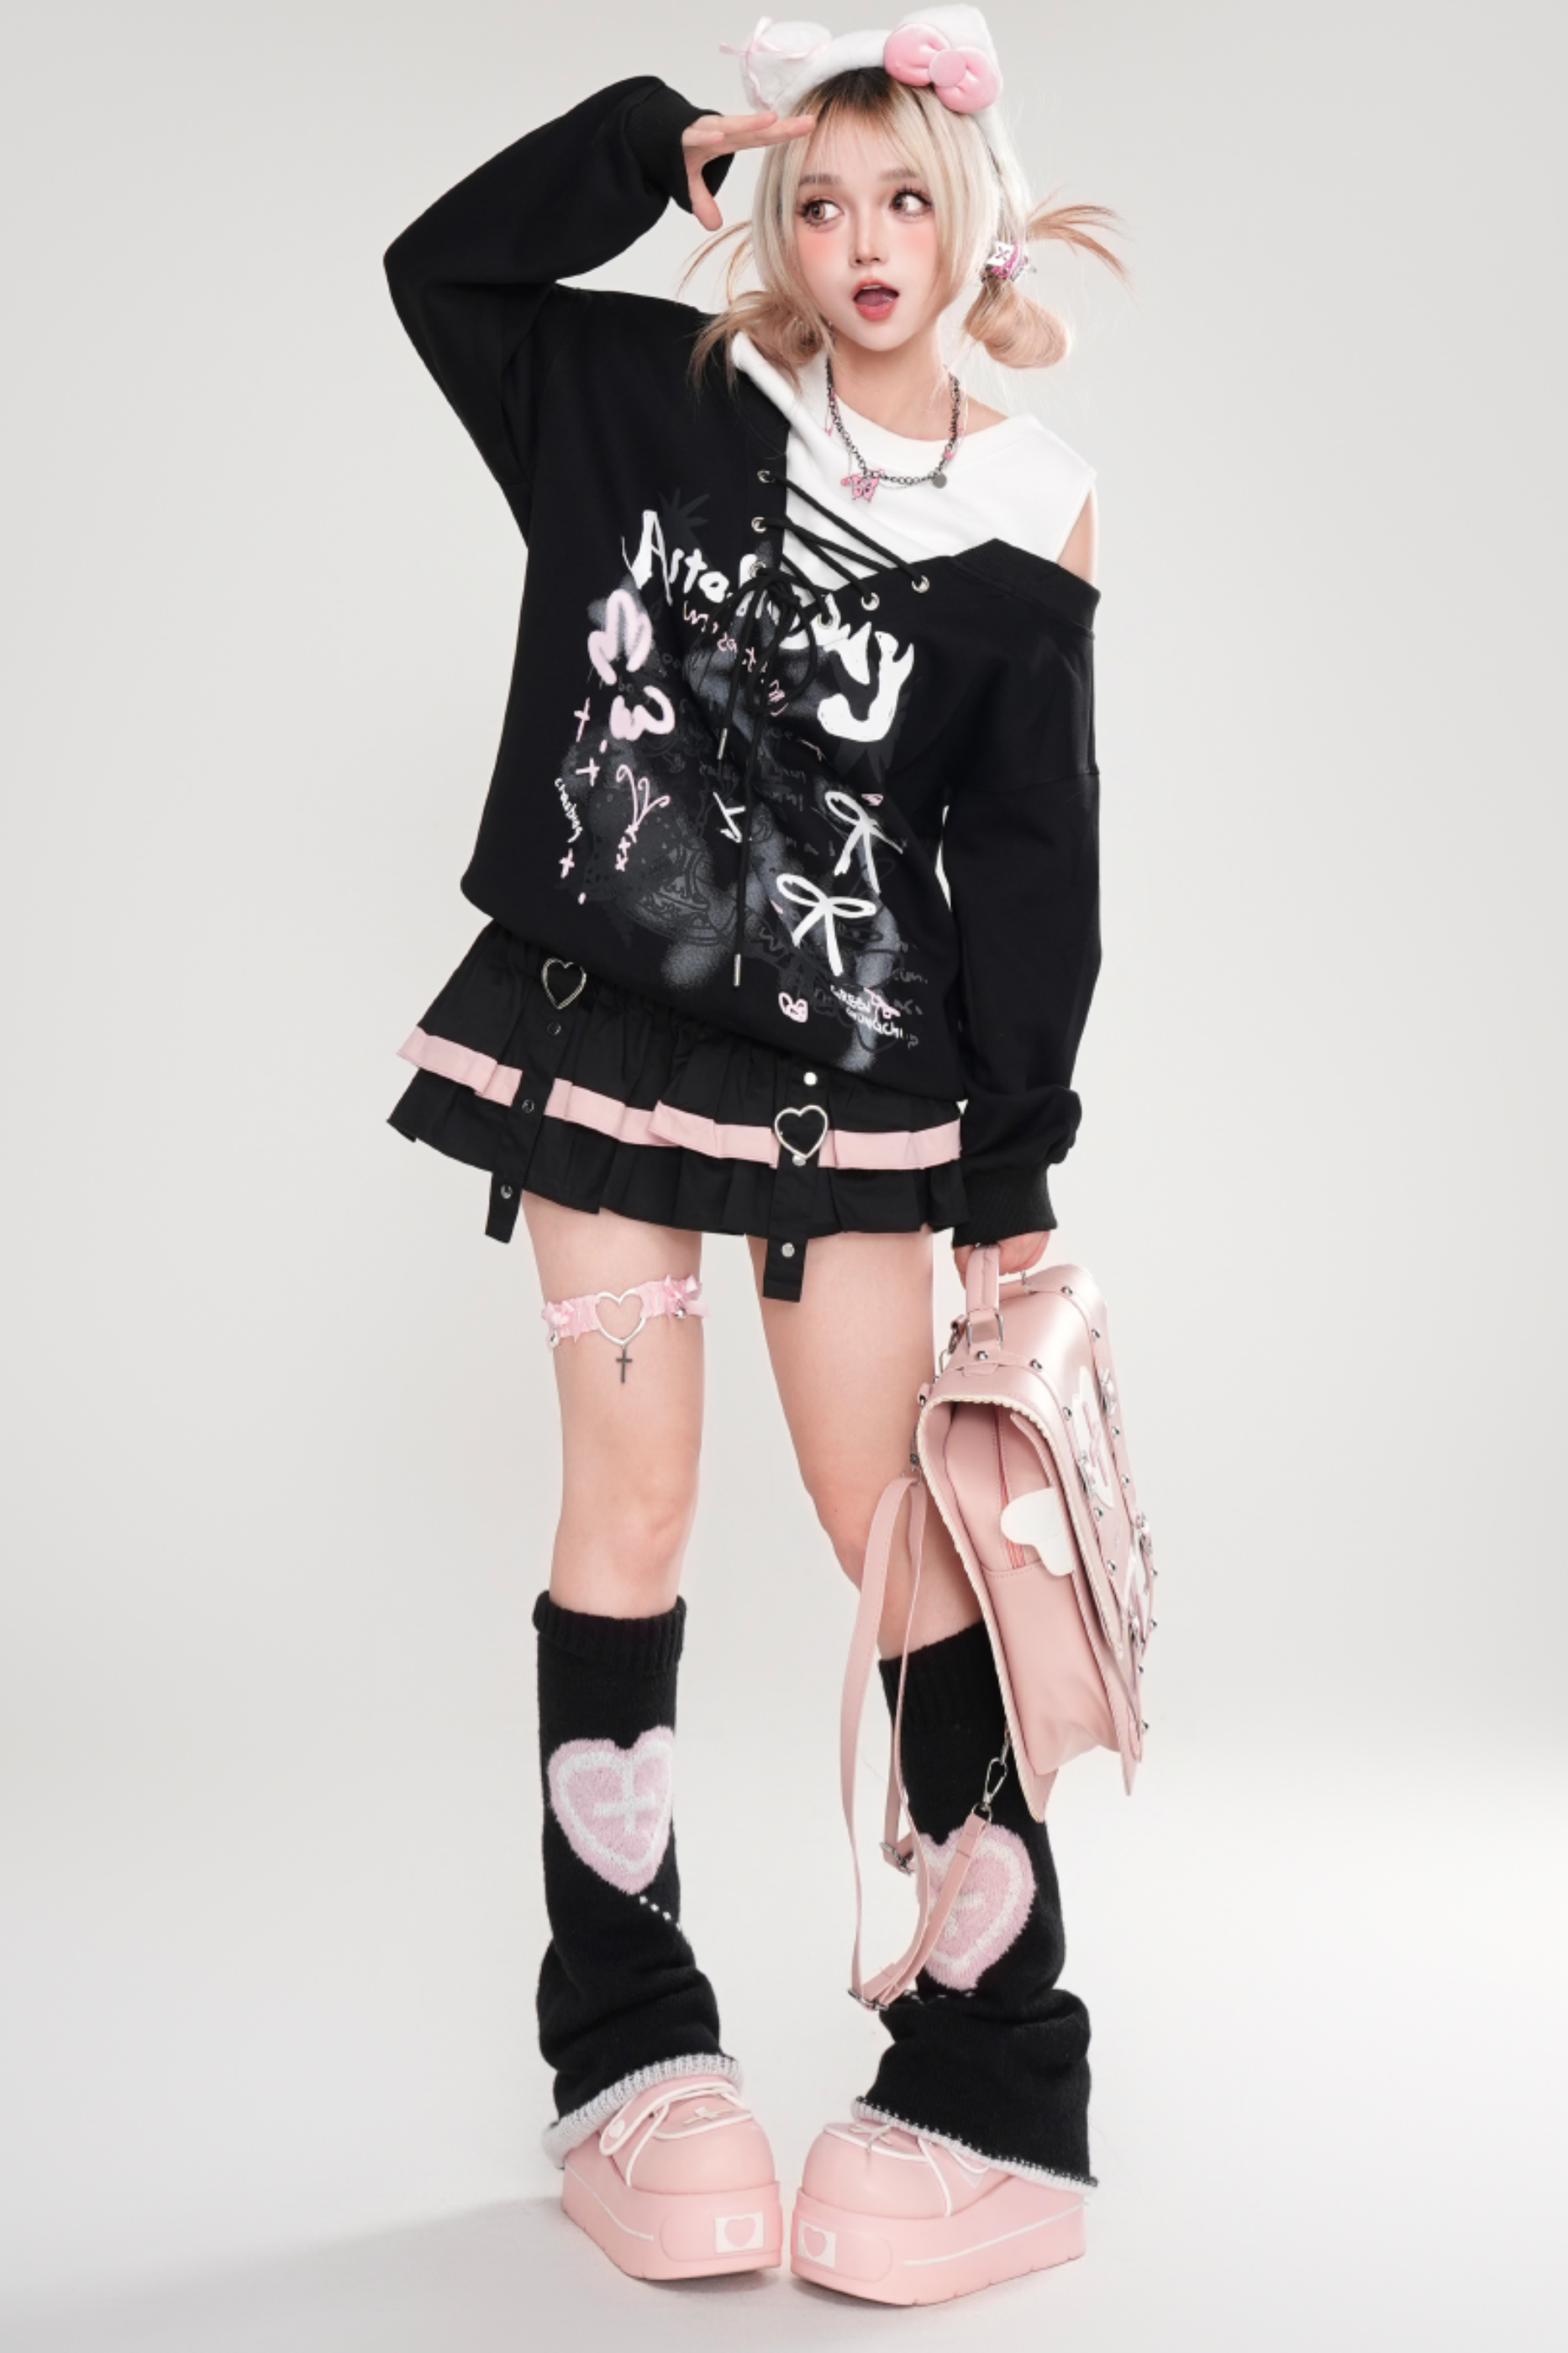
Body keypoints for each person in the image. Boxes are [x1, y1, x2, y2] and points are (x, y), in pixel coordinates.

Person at [383, 5, 1121, 2306]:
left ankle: (994, 2079)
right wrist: (647, 142)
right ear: (770, 224)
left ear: (976, 213)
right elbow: (440, 273)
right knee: (627, 1509)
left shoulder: (1031, 498)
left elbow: (1031, 863)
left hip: (852, 1107)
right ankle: (626, 2048)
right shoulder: (653, 401)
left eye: (907, 194)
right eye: (821, 199)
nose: (865, 240)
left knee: (897, 1537)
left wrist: (1009, 1186)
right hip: (605, 1047)